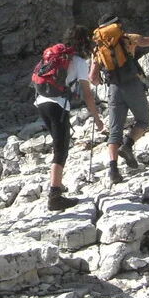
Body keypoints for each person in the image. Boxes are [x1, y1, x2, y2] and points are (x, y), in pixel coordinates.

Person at [89, 16, 149, 182]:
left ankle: (113, 170)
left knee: (115, 130)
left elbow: (92, 77)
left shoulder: (98, 49)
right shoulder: (128, 39)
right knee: (143, 121)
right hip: (133, 85)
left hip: (114, 88)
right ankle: (128, 145)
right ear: (117, 25)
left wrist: (101, 79)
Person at [35, 26, 104, 211]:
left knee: (58, 145)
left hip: (41, 102)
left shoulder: (54, 55)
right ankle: (54, 195)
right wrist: (96, 118)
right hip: (58, 105)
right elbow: (87, 94)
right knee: (61, 149)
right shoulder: (79, 61)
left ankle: (57, 185)